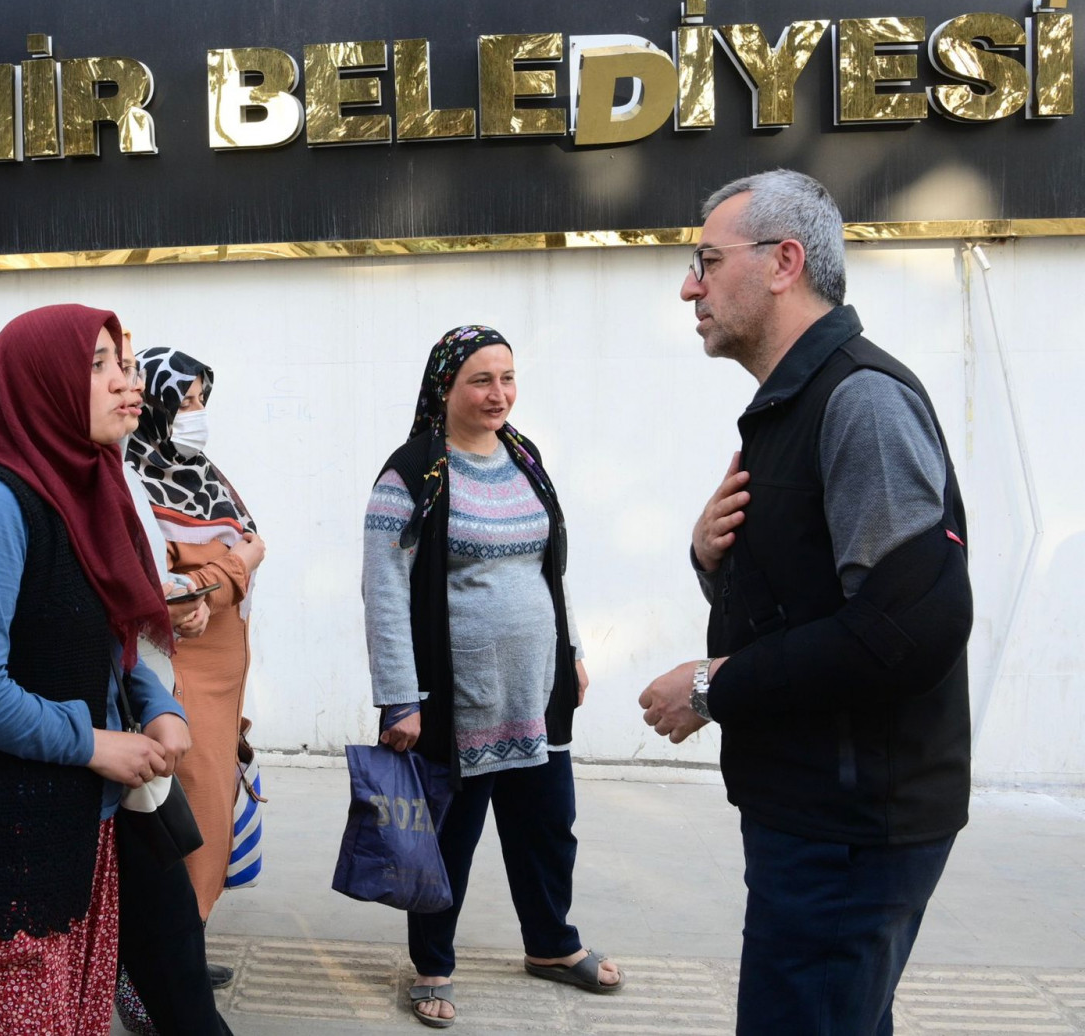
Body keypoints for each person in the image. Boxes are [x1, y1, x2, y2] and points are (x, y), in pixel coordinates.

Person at [638, 169, 973, 1036]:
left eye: (708, 261)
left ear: (785, 263)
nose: (690, 288)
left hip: (852, 826)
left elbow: (905, 632)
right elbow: (809, 597)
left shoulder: (860, 400)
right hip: (817, 813)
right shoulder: (794, 402)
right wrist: (710, 558)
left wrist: (713, 686)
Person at [0, 304, 232, 1036]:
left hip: (74, 824)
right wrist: (95, 743)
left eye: (125, 364)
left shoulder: (85, 486)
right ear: (40, 382)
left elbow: (105, 632)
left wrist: (155, 702)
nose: (126, 384)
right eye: (97, 365)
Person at [363, 325, 619, 1029]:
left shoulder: (524, 456)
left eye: (507, 378)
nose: (498, 393)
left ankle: (551, 944)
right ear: (445, 386)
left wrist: (571, 650)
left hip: (536, 687)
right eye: (481, 379)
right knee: (447, 841)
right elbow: (384, 592)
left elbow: (550, 567)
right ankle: (432, 966)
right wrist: (399, 698)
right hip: (457, 698)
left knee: (548, 827)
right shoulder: (411, 473)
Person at [124, 346, 265, 974]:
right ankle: (161, 968)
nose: (196, 412)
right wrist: (236, 566)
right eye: (184, 400)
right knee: (188, 812)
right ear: (153, 402)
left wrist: (223, 573)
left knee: (212, 809)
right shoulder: (133, 478)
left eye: (202, 398)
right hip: (177, 675)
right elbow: (168, 589)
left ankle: (182, 949)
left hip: (225, 680)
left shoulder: (205, 473)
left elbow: (245, 543)